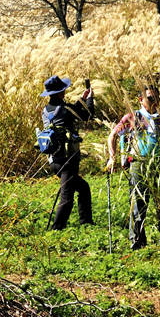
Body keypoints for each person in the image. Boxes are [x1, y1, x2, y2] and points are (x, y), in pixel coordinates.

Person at [108, 85, 160, 249]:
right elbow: (113, 135)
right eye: (150, 98)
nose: (154, 101)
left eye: (157, 97)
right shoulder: (132, 117)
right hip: (138, 162)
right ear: (141, 100)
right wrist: (112, 158)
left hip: (159, 163)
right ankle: (137, 240)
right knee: (138, 201)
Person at [39, 75, 94, 231]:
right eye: (63, 89)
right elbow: (88, 115)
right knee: (67, 196)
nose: (65, 91)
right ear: (59, 92)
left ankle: (86, 223)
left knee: (83, 188)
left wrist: (81, 100)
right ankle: (57, 229)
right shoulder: (65, 109)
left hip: (53, 160)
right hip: (67, 159)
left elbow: (67, 112)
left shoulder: (46, 110)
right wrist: (89, 100)